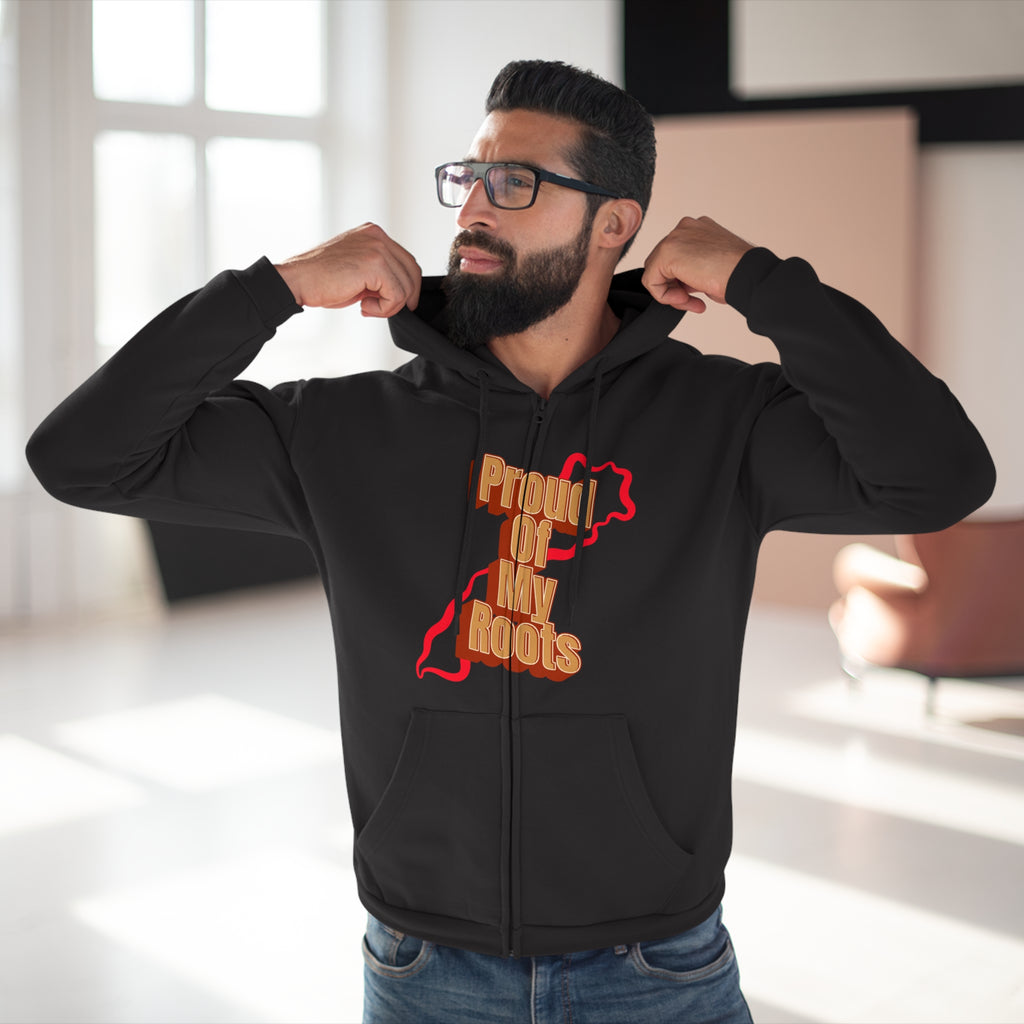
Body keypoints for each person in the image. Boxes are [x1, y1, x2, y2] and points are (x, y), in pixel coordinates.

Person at [27, 60, 994, 1024]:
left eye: (516, 182)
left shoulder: (721, 422)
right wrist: (272, 289)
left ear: (613, 224)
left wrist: (761, 283)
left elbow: (942, 474)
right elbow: (82, 458)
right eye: (471, 177)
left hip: (657, 968)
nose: (474, 209)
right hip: (423, 969)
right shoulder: (342, 430)